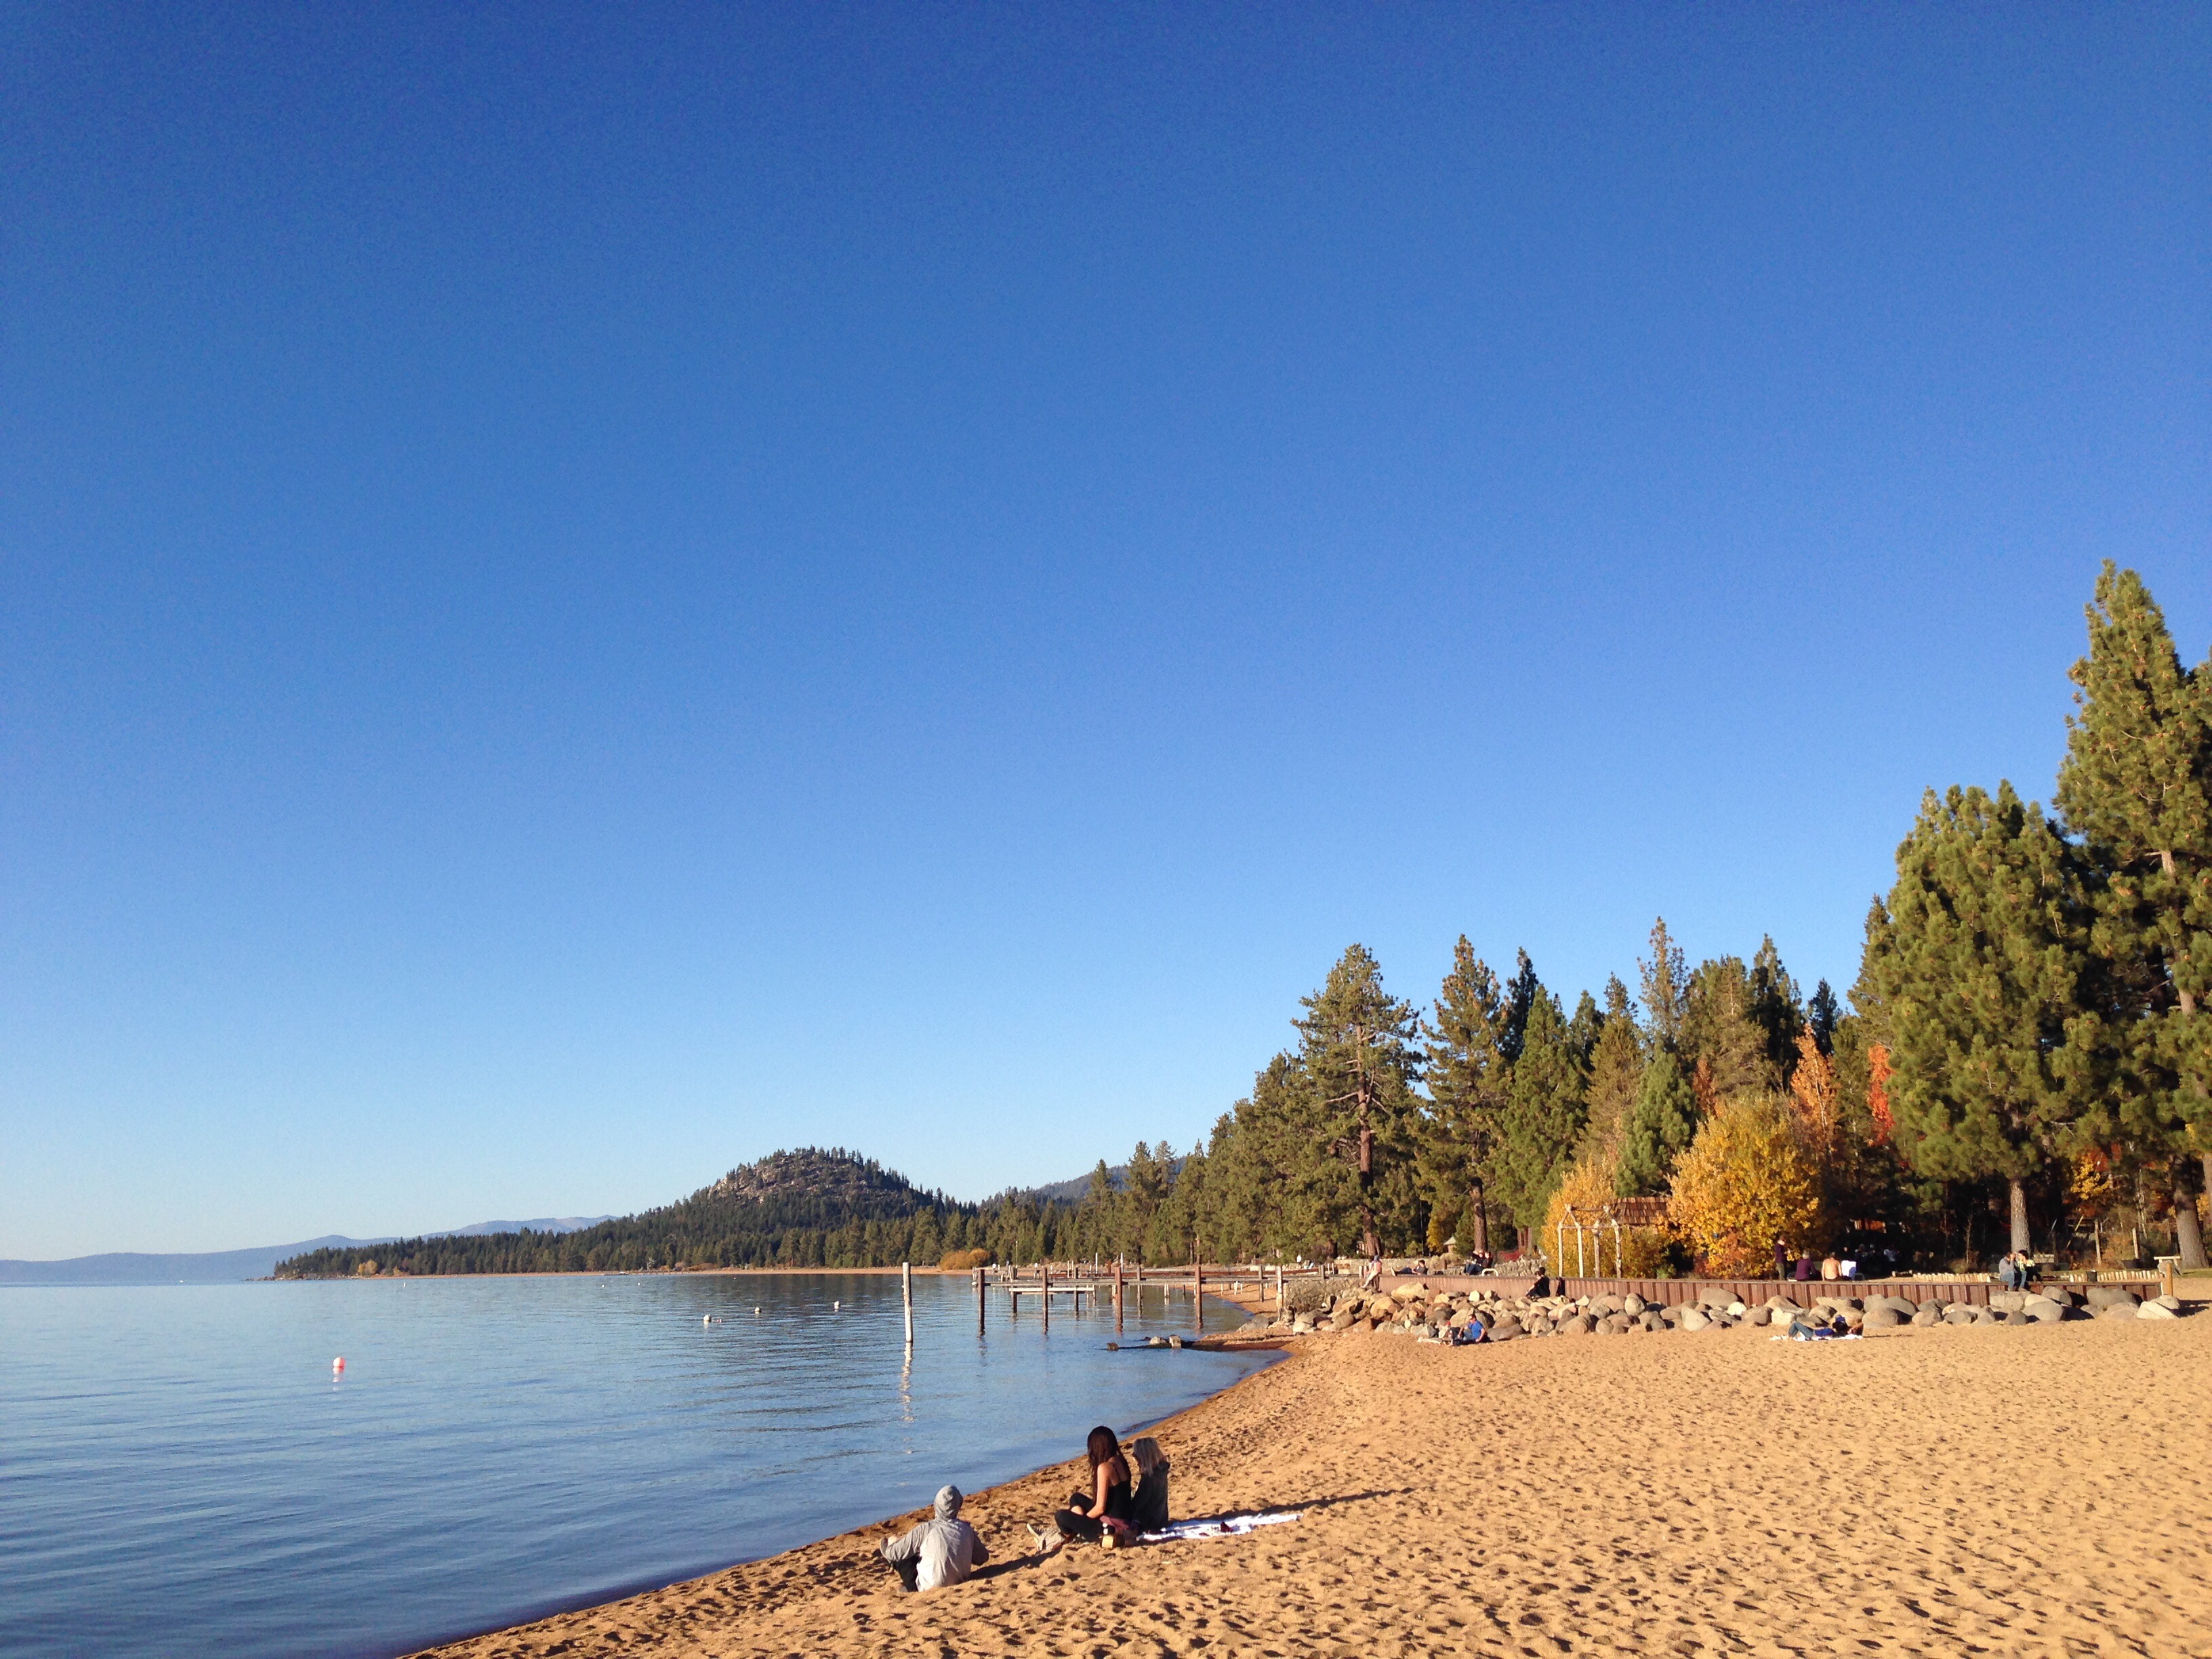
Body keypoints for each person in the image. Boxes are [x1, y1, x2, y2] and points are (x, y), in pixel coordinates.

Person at [879, 1485, 987, 1593]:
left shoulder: (926, 1529)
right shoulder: (967, 1529)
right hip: (959, 1582)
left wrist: (891, 1546)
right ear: (959, 1505)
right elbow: (982, 1558)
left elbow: (894, 1553)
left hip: (929, 1588)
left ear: (936, 1505)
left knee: (896, 1544)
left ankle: (912, 1585)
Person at [1050, 1425, 1134, 1549]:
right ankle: (1077, 1527)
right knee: (1076, 1498)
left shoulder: (1104, 1468)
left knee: (1061, 1515)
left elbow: (1100, 1508)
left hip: (1111, 1526)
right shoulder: (1120, 1461)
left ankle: (1074, 1534)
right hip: (1125, 1517)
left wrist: (1082, 1521)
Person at [1128, 1436, 1170, 1535]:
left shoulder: (1149, 1479)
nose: (1134, 1458)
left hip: (1149, 1522)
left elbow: (1138, 1505)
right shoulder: (1161, 1471)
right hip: (1161, 1517)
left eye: (1136, 1456)